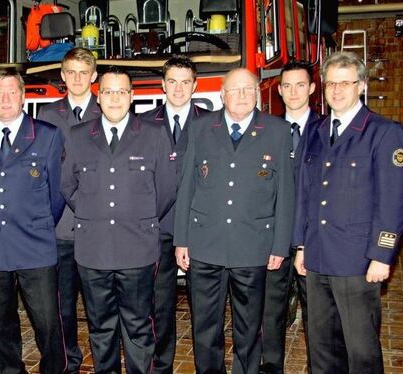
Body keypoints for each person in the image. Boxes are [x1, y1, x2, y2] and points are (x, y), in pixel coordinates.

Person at [293, 51, 403, 374]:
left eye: (346, 83)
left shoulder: (383, 132)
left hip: (357, 259)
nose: (337, 90)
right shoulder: (315, 131)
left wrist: (381, 255)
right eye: (331, 83)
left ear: (361, 86)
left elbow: (393, 201)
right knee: (321, 346)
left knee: (361, 349)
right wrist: (301, 246)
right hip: (317, 257)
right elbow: (304, 192)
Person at [174, 68, 295, 374]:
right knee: (205, 327)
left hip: (253, 245)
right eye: (235, 90)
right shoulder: (201, 127)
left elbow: (286, 194)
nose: (242, 96)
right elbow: (187, 184)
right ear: (222, 95)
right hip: (205, 245)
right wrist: (181, 240)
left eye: (248, 90)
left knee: (249, 327)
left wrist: (280, 245)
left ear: (258, 94)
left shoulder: (278, 130)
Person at [61, 66, 176, 373]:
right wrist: (94, 213)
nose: (115, 98)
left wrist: (137, 217)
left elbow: (166, 189)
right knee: (100, 327)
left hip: (137, 248)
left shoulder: (153, 135)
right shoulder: (79, 135)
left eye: (121, 92)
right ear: (98, 97)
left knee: (139, 327)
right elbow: (68, 186)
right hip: (93, 249)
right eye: (108, 91)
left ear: (132, 96)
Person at [0, 69, 67, 374]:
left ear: (23, 96)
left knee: (47, 322)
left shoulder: (46, 135)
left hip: (35, 244)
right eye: (0, 92)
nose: (6, 98)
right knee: (1, 323)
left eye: (12, 92)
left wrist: (40, 223)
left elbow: (56, 193)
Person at [138, 55, 207, 374]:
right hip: (159, 227)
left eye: (185, 82)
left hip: (201, 227)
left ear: (195, 85)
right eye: (172, 81)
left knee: (205, 305)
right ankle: (162, 364)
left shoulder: (212, 122)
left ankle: (208, 364)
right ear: (163, 84)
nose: (178, 88)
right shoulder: (143, 123)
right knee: (160, 302)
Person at [36, 47, 101, 373]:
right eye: (71, 72)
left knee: (99, 304)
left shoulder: (107, 113)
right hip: (59, 226)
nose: (77, 79)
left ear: (94, 77)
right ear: (62, 76)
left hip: (97, 227)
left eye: (83, 72)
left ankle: (104, 360)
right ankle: (68, 362)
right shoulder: (47, 117)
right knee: (61, 305)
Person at [260, 60, 322, 374]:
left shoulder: (326, 130)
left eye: (301, 85)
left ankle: (319, 366)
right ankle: (271, 366)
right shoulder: (268, 130)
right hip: (275, 234)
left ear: (312, 88)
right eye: (287, 85)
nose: (293, 91)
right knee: (271, 307)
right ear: (279, 90)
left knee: (317, 310)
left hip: (314, 236)